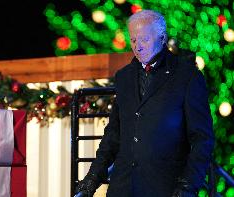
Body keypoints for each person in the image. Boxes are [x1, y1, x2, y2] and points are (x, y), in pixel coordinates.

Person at [75, 10, 215, 197]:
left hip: (165, 189)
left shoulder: (187, 76)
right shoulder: (124, 77)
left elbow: (202, 140)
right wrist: (89, 182)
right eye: (133, 40)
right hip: (122, 188)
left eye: (144, 39)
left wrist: (187, 187)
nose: (137, 47)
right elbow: (113, 135)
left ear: (162, 38)